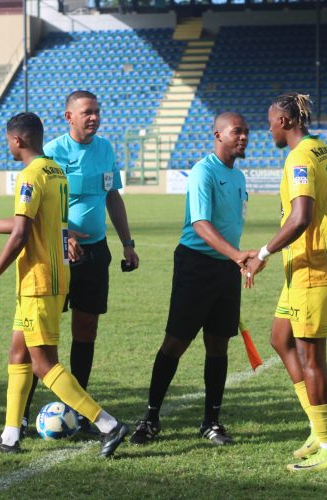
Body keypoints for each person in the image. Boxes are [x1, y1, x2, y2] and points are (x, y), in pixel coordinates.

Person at [0, 112, 128, 456]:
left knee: (43, 364)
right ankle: (10, 437)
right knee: (18, 352)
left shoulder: (29, 176)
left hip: (38, 282)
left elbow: (20, 234)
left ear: (17, 140)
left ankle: (108, 424)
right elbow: (29, 223)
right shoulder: (55, 172)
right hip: (54, 275)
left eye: (8, 141)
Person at [129, 112, 251, 446]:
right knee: (176, 342)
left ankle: (211, 422)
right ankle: (150, 418)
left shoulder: (238, 177)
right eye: (237, 132)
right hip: (196, 266)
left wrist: (235, 260)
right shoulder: (203, 171)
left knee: (218, 344)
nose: (244, 137)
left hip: (227, 268)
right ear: (218, 134)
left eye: (246, 132)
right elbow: (200, 224)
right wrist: (237, 255)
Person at [21, 90, 139, 436]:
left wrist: (127, 243)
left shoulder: (105, 150)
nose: (94, 117)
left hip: (95, 254)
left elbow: (112, 196)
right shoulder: (52, 153)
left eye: (97, 112)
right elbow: (38, 206)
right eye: (87, 112)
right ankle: (22, 415)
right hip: (56, 254)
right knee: (40, 337)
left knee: (86, 329)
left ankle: (79, 411)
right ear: (69, 116)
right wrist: (64, 235)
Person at [244, 92, 327, 472]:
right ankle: (318, 431)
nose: (268, 129)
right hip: (303, 264)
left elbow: (301, 216)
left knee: (311, 358)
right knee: (280, 338)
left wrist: (262, 253)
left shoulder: (300, 157)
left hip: (313, 265)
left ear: (285, 121)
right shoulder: (322, 148)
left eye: (270, 122)